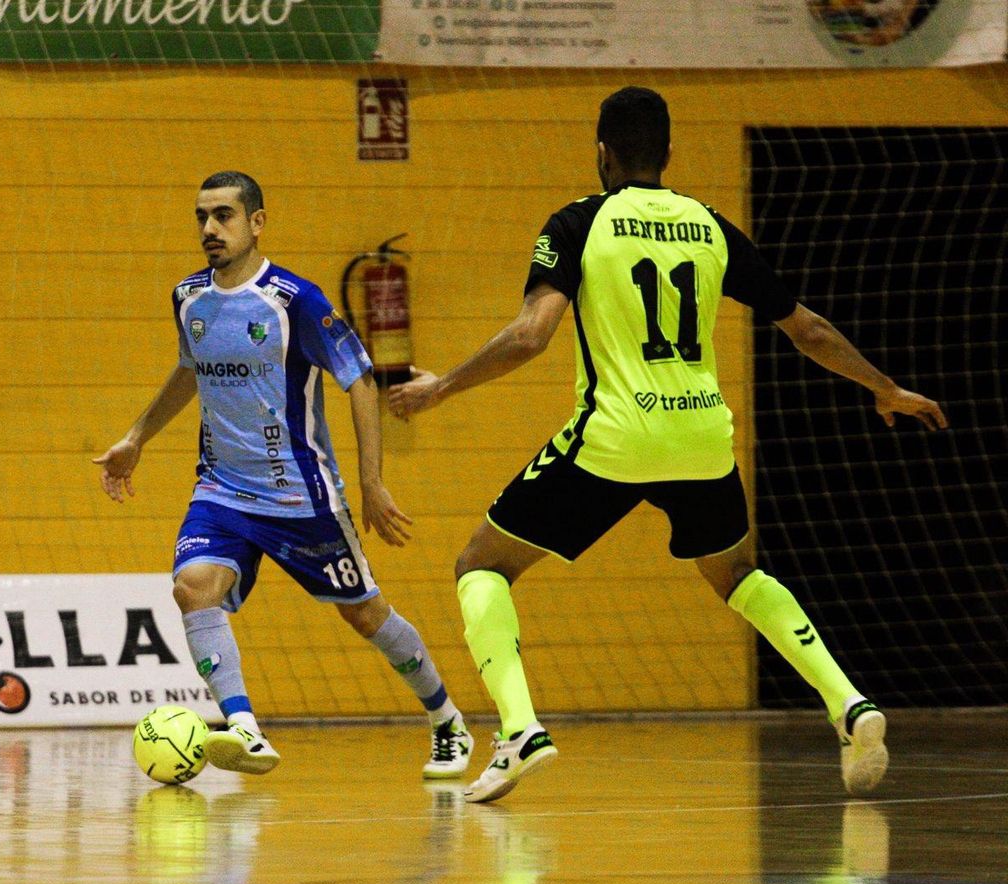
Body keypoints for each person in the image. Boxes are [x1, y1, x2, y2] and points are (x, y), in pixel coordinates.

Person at [389, 86, 946, 803]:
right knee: (737, 574)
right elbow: (806, 327)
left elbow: (531, 334)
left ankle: (521, 728)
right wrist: (885, 386)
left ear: (602, 153)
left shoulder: (579, 222)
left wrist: (441, 389)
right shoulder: (710, 225)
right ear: (670, 153)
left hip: (616, 437)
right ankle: (849, 703)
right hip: (703, 436)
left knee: (480, 565)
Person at [94, 171, 474, 778]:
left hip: (301, 496)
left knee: (364, 613)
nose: (210, 229)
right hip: (221, 489)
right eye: (202, 217)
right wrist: (136, 436)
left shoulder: (296, 301)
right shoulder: (188, 297)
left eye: (223, 216)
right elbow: (189, 370)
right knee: (193, 586)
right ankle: (245, 729)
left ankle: (446, 719)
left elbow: (357, 377)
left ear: (257, 223)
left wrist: (371, 482)